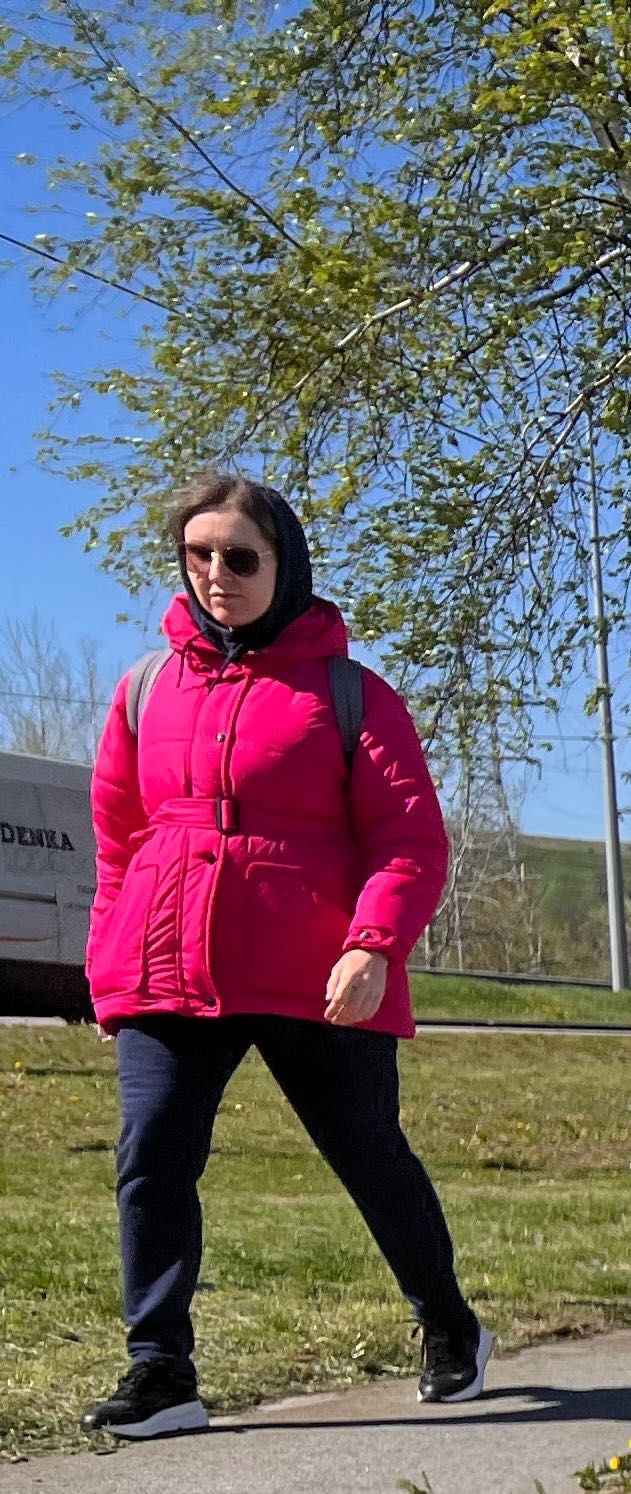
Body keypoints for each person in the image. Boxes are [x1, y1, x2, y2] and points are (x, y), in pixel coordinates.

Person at [79, 472, 482, 1440]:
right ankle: (161, 1370)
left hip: (317, 974)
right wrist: (106, 967)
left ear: (284, 563)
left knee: (369, 1157)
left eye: (242, 557)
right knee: (152, 1162)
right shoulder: (143, 689)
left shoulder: (350, 694)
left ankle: (449, 1324)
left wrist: (374, 945)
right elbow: (118, 840)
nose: (219, 574)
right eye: (200, 555)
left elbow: (409, 841)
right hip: (169, 965)